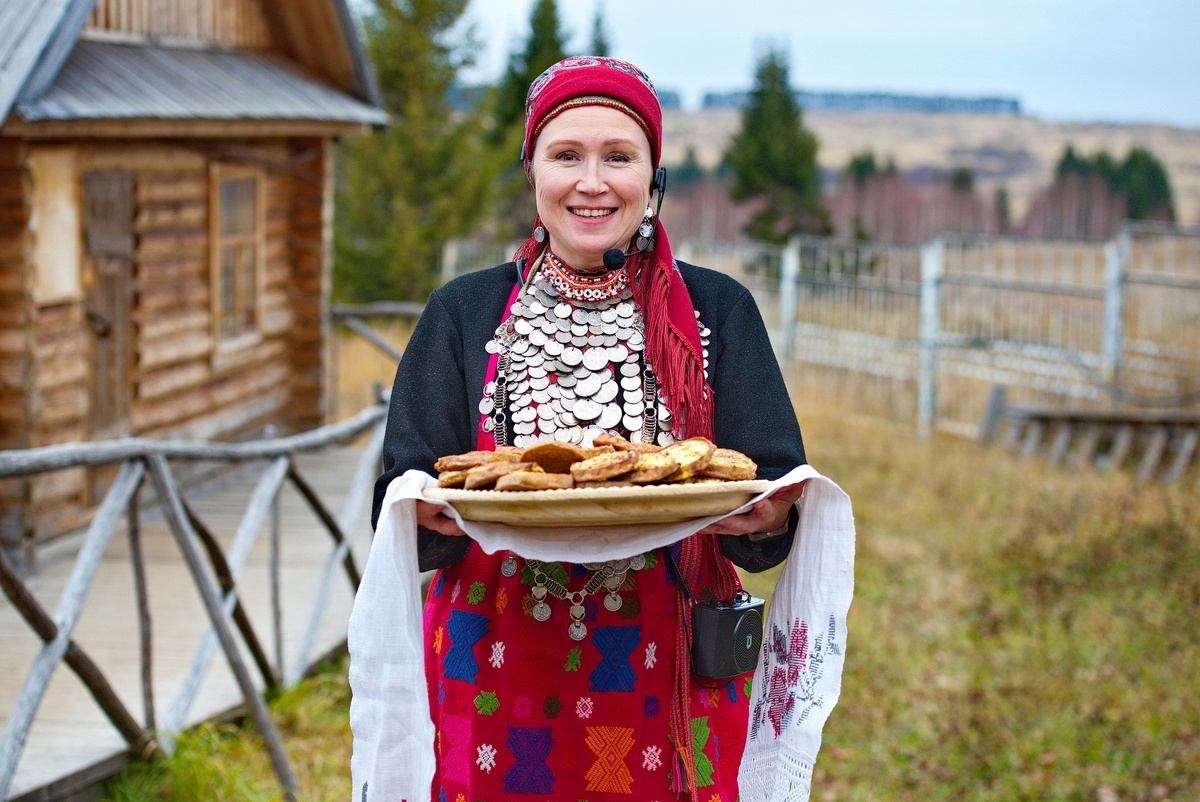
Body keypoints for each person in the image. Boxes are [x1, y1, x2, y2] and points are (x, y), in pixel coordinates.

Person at [366, 56, 807, 801]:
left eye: (619, 157)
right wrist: (428, 516)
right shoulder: (462, 312)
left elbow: (771, 494)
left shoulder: (718, 310)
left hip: (668, 659)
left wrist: (764, 518)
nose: (592, 182)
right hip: (491, 654)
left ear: (652, 173)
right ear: (533, 170)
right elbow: (400, 500)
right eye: (566, 155)